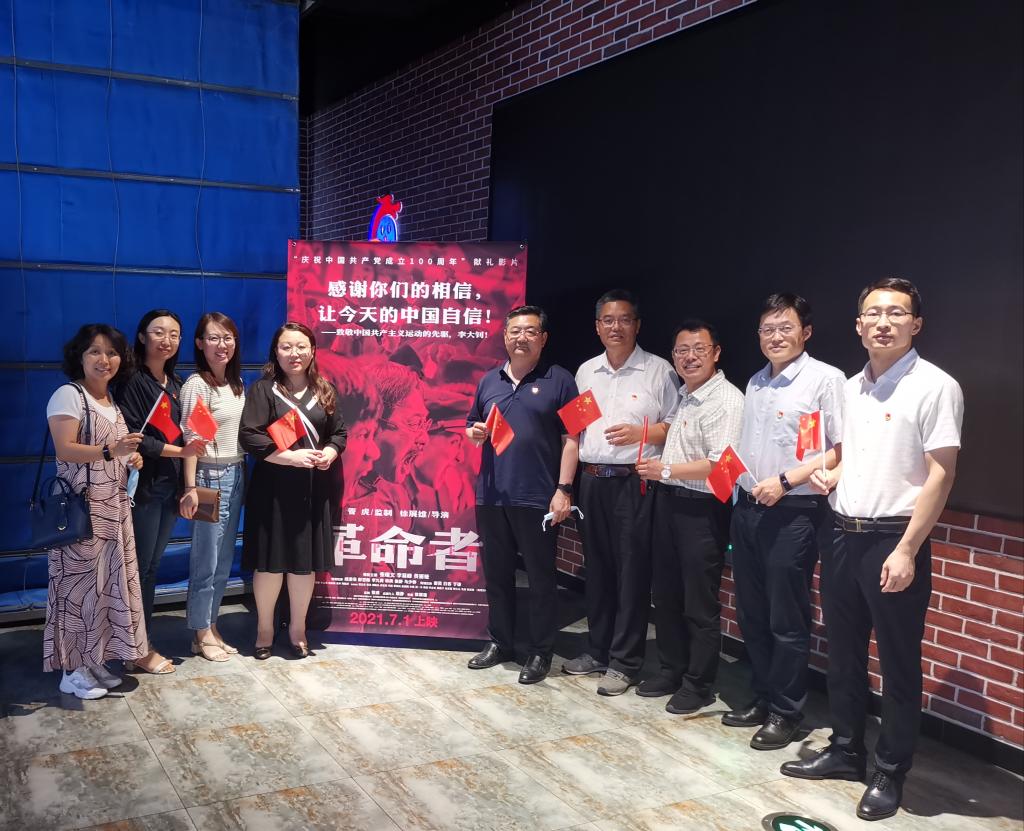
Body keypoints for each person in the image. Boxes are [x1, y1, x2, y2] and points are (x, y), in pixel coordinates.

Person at [781, 278, 962, 822]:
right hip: (841, 532)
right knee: (843, 654)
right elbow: (850, 454)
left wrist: (907, 549)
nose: (884, 322)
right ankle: (845, 750)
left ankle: (889, 770)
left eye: (896, 313)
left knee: (899, 662)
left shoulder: (935, 386)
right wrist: (832, 474)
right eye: (873, 314)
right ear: (859, 325)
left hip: (893, 539)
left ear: (916, 324)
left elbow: (941, 474)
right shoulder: (850, 387)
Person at [724, 293, 844, 750]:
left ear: (805, 332)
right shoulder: (756, 381)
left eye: (785, 327)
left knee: (786, 617)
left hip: (794, 511)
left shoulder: (826, 380)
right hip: (748, 508)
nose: (775, 337)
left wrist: (785, 481)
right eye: (767, 329)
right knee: (752, 612)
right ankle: (762, 696)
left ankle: (786, 711)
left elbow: (841, 449)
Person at [563, 289, 679, 696]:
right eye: (608, 320)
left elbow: (675, 425)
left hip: (636, 482)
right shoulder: (586, 372)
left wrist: (639, 434)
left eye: (624, 319)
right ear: (598, 327)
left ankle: (625, 661)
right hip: (592, 480)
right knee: (597, 569)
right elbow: (575, 430)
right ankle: (598, 650)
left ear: (637, 325)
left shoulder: (659, 371)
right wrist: (566, 485)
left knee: (632, 572)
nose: (616, 327)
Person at [465, 305, 580, 684]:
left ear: (543, 338)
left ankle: (540, 651)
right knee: (497, 575)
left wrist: (564, 489)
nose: (522, 338)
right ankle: (500, 642)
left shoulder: (562, 380)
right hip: (492, 495)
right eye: (515, 331)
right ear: (504, 336)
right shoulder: (489, 380)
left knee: (541, 578)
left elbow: (573, 439)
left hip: (539, 497)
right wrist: (474, 432)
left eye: (531, 331)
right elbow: (470, 424)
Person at [635, 319, 744, 714]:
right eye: (682, 350)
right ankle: (671, 669)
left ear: (716, 353)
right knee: (666, 594)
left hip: (702, 509)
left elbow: (720, 465)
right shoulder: (685, 394)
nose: (690, 357)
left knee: (698, 601)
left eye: (699, 349)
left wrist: (664, 470)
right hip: (669, 502)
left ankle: (698, 684)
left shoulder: (727, 400)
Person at [44, 324, 145, 698]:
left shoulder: (109, 400)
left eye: (112, 352)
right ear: (80, 357)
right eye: (95, 352)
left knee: (103, 588)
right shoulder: (69, 395)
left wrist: (129, 458)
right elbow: (65, 449)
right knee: (76, 589)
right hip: (80, 512)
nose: (105, 360)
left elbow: (114, 450)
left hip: (111, 509)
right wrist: (110, 451)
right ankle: (71, 670)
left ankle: (93, 660)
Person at [240, 322, 347, 659]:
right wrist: (290, 457)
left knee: (304, 564)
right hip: (271, 489)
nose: (294, 353)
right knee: (269, 564)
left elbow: (339, 434)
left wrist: (329, 453)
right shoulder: (264, 390)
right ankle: (265, 630)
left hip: (312, 490)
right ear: (276, 351)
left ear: (312, 351)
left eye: (301, 346)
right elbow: (250, 435)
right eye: (286, 347)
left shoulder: (325, 390)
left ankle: (298, 629)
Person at [115, 310, 207, 674]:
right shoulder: (131, 381)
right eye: (158, 332)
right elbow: (138, 440)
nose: (166, 340)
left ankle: (140, 641)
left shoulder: (176, 383)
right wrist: (182, 452)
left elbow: (187, 433)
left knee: (150, 567)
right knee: (138, 568)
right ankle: (135, 647)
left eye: (174, 334)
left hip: (169, 487)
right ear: (141, 336)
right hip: (144, 487)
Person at [180, 313, 247, 661]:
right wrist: (190, 487)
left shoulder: (236, 384)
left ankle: (211, 625)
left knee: (224, 560)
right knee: (205, 559)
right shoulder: (197, 385)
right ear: (199, 343)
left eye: (228, 338)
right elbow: (192, 441)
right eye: (214, 338)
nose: (222, 345)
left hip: (237, 473)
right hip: (208, 477)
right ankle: (199, 631)